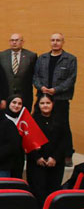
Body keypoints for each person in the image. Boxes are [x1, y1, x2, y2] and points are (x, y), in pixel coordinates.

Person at [33, 33, 77, 166]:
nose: (55, 43)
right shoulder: (42, 58)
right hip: (43, 96)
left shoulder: (70, 59)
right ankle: (38, 152)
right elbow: (35, 76)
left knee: (63, 126)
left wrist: (56, 90)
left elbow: (71, 79)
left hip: (60, 98)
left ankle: (67, 154)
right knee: (38, 125)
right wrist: (42, 88)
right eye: (53, 40)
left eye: (58, 40)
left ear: (63, 42)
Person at [29, 94, 68, 203]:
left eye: (48, 103)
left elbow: (64, 141)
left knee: (53, 193)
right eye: (42, 103)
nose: (45, 105)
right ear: (38, 105)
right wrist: (37, 157)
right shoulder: (32, 120)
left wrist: (54, 158)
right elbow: (28, 141)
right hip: (37, 163)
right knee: (37, 193)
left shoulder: (61, 120)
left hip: (55, 163)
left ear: (53, 104)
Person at [0, 33, 37, 112]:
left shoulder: (31, 56)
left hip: (25, 96)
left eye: (17, 40)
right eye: (12, 40)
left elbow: (34, 74)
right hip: (6, 96)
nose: (14, 42)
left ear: (22, 42)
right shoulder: (1, 55)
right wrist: (1, 98)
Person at [3, 94, 27, 179]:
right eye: (14, 102)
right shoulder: (1, 118)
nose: (16, 105)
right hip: (4, 159)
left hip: (18, 159)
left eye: (19, 103)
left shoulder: (24, 120)